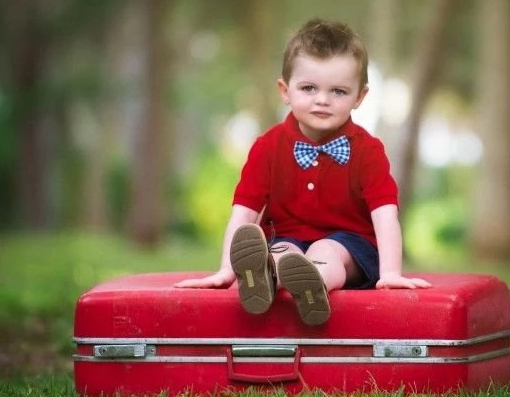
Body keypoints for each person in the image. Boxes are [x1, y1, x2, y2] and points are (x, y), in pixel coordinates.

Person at [175, 19, 431, 325]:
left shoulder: (368, 150)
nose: (322, 99)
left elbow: (385, 214)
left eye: (338, 91)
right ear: (285, 90)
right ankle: (266, 278)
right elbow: (244, 214)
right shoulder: (267, 147)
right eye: (309, 88)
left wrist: (390, 273)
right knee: (281, 252)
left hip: (350, 246)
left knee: (328, 250)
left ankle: (314, 282)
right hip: (287, 238)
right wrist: (226, 270)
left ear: (359, 97)